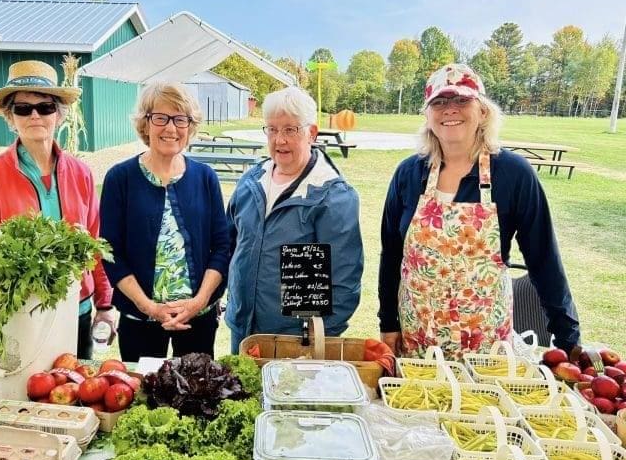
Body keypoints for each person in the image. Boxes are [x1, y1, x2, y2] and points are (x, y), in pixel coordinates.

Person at [378, 63, 580, 360]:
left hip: (485, 345)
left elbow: (544, 260)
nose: (450, 110)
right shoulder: (408, 174)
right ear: (427, 114)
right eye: (440, 102)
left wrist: (568, 340)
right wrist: (388, 323)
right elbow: (392, 253)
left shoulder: (513, 174)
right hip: (418, 339)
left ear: (483, 111)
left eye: (461, 100)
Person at [0, 60, 115, 360]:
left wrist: (104, 304)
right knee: (27, 400)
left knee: (75, 392)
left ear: (58, 115)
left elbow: (96, 242)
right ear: (10, 117)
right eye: (23, 109)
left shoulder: (81, 173)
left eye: (45, 107)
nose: (35, 115)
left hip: (78, 307)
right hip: (24, 311)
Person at [225, 86, 364, 353]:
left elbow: (345, 279)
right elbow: (229, 245)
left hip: (293, 340)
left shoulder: (331, 196)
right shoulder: (251, 181)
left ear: (311, 133)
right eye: (273, 129)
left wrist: (317, 338)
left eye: (290, 129)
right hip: (243, 329)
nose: (280, 140)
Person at [99, 82, 230, 362]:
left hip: (198, 317)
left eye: (180, 119)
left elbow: (222, 247)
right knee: (143, 398)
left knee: (197, 396)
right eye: (160, 117)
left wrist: (199, 301)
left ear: (190, 126)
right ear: (145, 124)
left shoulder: (206, 177)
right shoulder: (119, 179)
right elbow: (111, 254)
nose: (171, 128)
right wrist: (149, 307)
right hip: (140, 318)